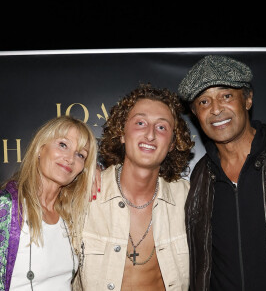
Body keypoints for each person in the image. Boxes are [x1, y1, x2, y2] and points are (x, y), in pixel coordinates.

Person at [177, 54, 266, 291]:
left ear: (247, 100)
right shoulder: (201, 175)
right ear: (195, 114)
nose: (215, 110)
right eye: (204, 102)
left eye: (226, 96)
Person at [76, 84, 194, 290]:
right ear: (121, 133)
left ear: (173, 143)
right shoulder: (83, 194)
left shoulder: (189, 198)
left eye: (161, 127)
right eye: (140, 123)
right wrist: (80, 172)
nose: (150, 135)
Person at [0, 115, 97, 291]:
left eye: (80, 154)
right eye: (63, 145)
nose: (70, 159)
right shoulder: (6, 207)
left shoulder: (71, 216)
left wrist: (98, 170)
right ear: (40, 148)